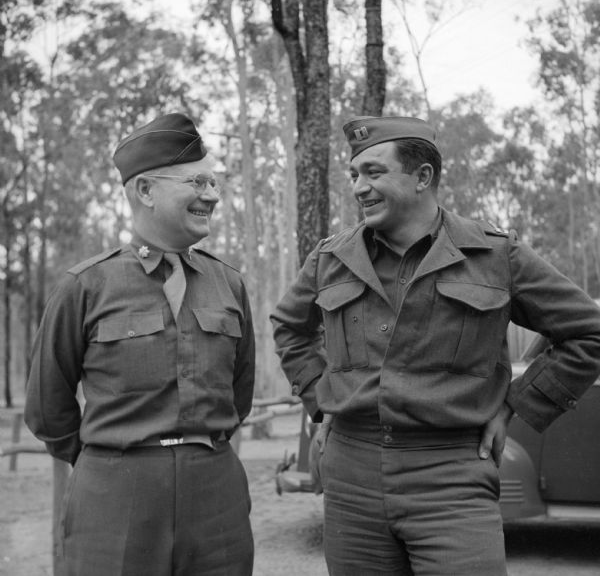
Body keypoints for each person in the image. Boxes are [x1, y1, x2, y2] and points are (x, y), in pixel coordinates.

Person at [270, 115, 600, 575]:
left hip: (452, 476)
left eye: (374, 173)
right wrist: (320, 403)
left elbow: (589, 332)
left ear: (423, 177)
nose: (359, 187)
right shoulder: (331, 259)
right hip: (352, 477)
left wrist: (514, 409)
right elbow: (289, 326)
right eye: (354, 175)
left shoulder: (494, 256)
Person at [25, 112, 255, 576]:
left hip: (216, 496)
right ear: (146, 191)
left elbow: (240, 393)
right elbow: (48, 410)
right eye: (197, 181)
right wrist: (113, 460)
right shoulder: (85, 287)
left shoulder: (229, 284)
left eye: (213, 182)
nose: (211, 194)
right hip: (115, 497)